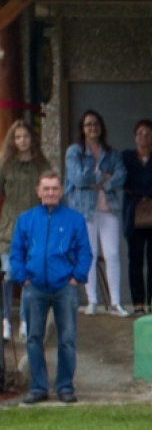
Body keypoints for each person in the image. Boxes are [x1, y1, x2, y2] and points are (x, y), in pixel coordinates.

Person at [8, 171, 91, 404]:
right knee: (34, 338)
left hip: (64, 287)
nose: (50, 193)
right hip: (34, 287)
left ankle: (65, 387)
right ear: (38, 191)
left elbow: (84, 251)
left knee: (67, 338)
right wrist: (22, 277)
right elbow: (17, 252)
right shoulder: (26, 219)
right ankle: (38, 387)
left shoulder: (75, 219)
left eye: (54, 188)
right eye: (46, 188)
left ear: (61, 191)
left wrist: (77, 276)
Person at [64, 109, 127, 316]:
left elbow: (122, 176)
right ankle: (92, 301)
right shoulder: (74, 151)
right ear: (82, 129)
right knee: (88, 255)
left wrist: (102, 183)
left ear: (101, 127)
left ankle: (116, 302)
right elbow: (78, 179)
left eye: (96, 123)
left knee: (113, 254)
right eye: (88, 124)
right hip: (84, 209)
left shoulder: (111, 152)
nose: (93, 127)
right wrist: (103, 177)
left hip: (108, 209)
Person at [0, 120, 48, 340]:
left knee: (29, 277)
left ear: (32, 139)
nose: (22, 141)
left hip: (34, 227)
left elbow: (52, 191)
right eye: (17, 137)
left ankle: (26, 320)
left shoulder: (41, 164)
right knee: (7, 275)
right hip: (8, 228)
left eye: (25, 136)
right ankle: (6, 321)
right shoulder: (5, 163)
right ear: (12, 139)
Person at [121, 119, 152, 315]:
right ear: (135, 137)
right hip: (133, 213)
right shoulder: (126, 157)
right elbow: (126, 181)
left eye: (148, 133)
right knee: (135, 260)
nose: (144, 136)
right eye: (140, 133)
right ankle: (138, 303)